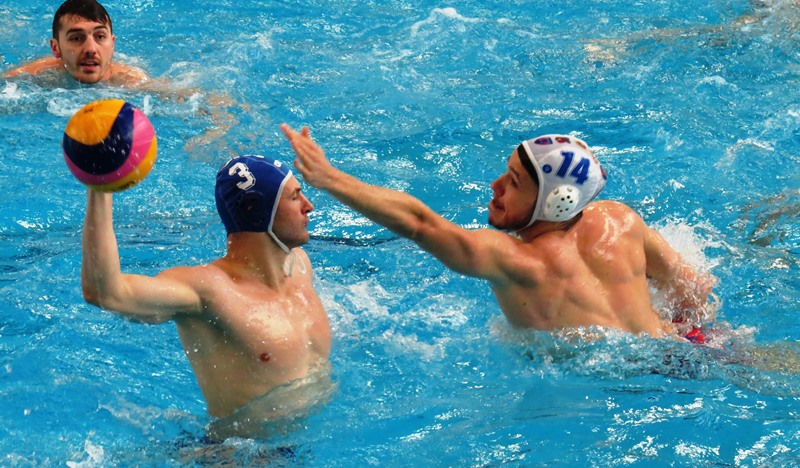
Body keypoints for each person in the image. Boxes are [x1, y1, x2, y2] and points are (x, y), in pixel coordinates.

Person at [281, 124, 716, 339]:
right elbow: (694, 289)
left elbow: (419, 223)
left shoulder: (517, 261)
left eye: (514, 182)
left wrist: (330, 179)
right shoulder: (621, 220)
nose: (496, 186)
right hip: (681, 353)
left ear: (556, 203)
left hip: (609, 389)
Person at [81, 154, 332, 437]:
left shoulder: (300, 267)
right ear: (256, 208)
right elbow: (106, 292)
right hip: (240, 454)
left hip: (311, 442)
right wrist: (100, 188)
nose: (309, 206)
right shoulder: (210, 292)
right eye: (295, 197)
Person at [4, 0, 148, 85]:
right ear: (56, 48)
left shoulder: (132, 81)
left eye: (100, 36)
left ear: (112, 44)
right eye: (76, 38)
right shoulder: (32, 75)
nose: (90, 49)